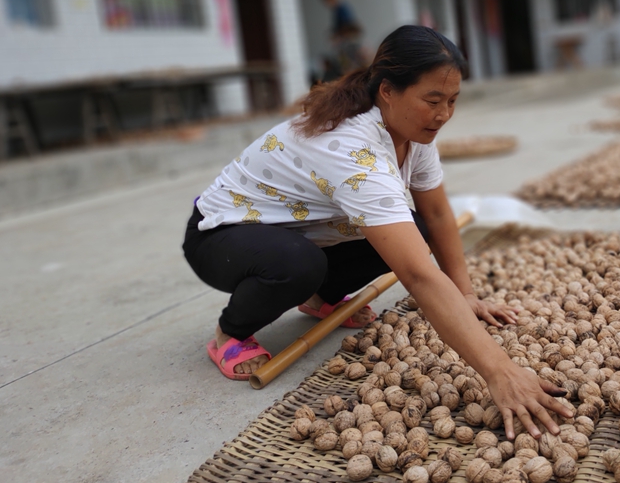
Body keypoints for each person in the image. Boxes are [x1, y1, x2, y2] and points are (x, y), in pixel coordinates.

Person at [182, 25, 572, 438]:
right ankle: (232, 332)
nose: (443, 115)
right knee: (300, 264)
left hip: (300, 231)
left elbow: (438, 215)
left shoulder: (413, 132)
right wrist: (501, 372)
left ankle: (322, 297)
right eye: (433, 100)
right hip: (222, 235)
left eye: (453, 101)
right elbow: (418, 273)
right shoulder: (353, 148)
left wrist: (466, 293)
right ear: (387, 90)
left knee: (412, 227)